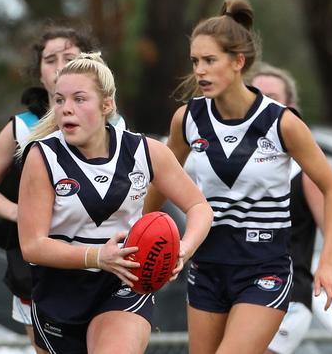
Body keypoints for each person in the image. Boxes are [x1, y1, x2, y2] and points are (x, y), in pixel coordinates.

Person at [144, 0, 332, 354]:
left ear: (238, 62)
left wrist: (327, 263)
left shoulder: (281, 122)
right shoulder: (187, 120)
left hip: (263, 268)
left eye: (210, 60)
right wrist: (142, 233)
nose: (200, 71)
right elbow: (162, 179)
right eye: (195, 62)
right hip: (207, 267)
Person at [16, 52, 213, 353]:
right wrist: (97, 257)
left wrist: (183, 250)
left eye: (79, 99)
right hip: (60, 292)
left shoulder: (145, 152)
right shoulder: (43, 157)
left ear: (106, 105)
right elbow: (32, 245)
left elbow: (200, 208)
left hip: (125, 284)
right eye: (59, 100)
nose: (66, 109)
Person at [0, 24, 101, 354]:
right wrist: (20, 212)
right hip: (35, 267)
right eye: (50, 59)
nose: (59, 65)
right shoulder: (22, 127)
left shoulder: (111, 125)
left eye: (69, 57)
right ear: (39, 72)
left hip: (99, 262)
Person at [249, 63, 332, 354]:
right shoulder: (234, 163)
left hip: (289, 294)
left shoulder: (302, 167)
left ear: (291, 107)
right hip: (238, 290)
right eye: (256, 95)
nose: (264, 104)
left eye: (272, 97)